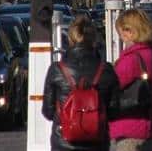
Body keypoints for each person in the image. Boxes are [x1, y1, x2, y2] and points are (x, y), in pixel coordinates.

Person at [42, 15, 119, 151]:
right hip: (97, 142)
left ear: (71, 39)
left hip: (63, 142)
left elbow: (48, 111)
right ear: (93, 39)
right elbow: (114, 112)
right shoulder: (105, 70)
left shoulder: (57, 69)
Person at [110, 9, 152, 151]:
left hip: (130, 128)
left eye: (122, 33)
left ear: (130, 31)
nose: (122, 38)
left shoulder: (131, 60)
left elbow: (111, 85)